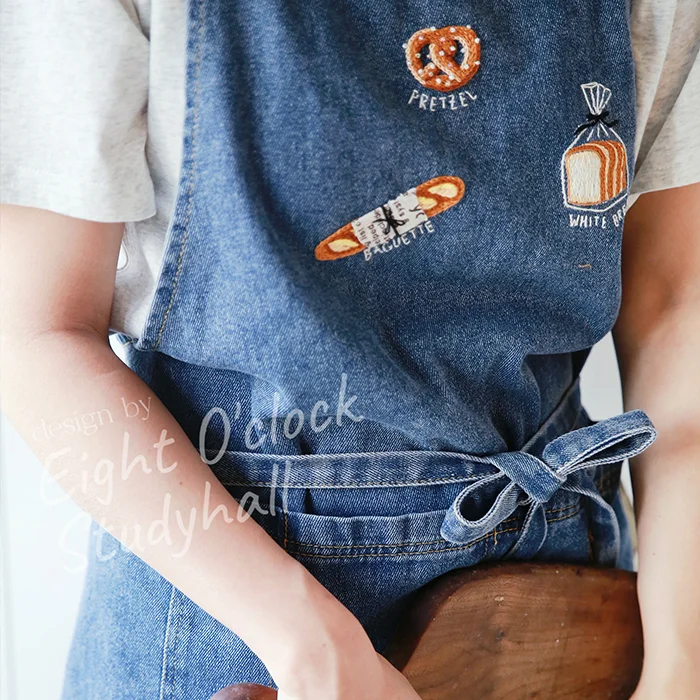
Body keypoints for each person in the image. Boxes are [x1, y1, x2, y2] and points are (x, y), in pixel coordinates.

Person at [1, 1, 699, 698]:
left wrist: (678, 664)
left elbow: (676, 307)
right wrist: (309, 645)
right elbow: (37, 332)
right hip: (235, 607)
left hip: (564, 586)